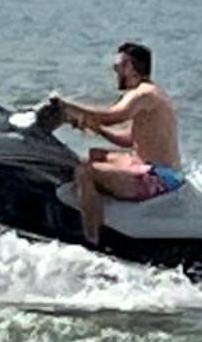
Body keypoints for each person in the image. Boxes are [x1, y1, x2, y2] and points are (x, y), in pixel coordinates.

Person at [36, 41, 183, 248]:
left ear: (132, 68)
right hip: (155, 167)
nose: (115, 71)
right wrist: (94, 128)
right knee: (94, 155)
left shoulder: (143, 94)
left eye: (119, 66)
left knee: (85, 172)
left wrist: (69, 107)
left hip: (159, 177)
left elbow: (112, 116)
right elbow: (130, 140)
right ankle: (92, 207)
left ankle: (92, 239)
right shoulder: (150, 93)